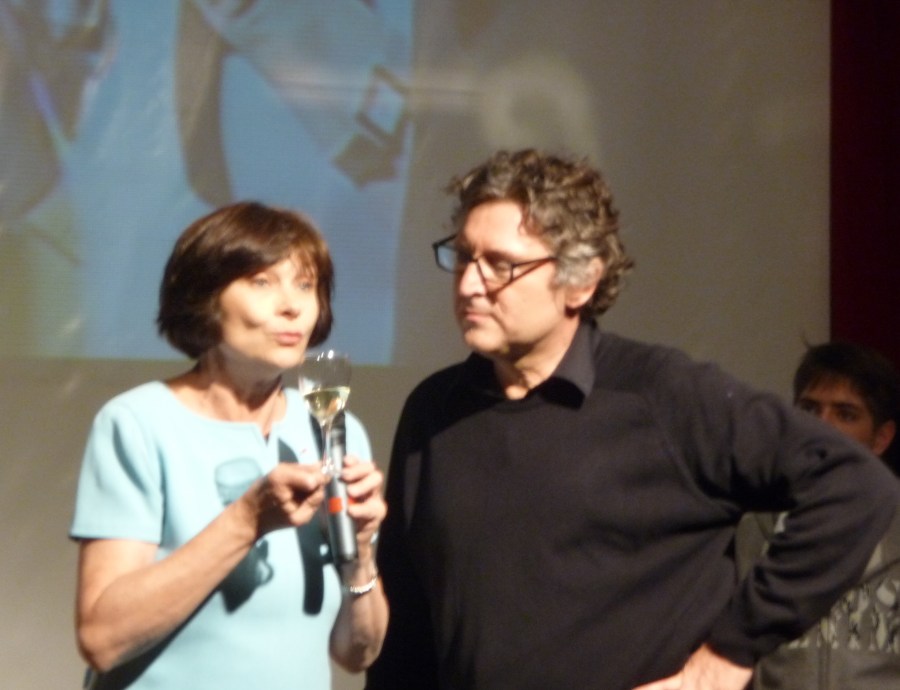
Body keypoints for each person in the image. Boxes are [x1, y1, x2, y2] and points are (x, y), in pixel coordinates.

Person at [365, 148, 899, 690]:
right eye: (462, 257)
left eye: (501, 265)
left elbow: (855, 486)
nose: (468, 285)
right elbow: (407, 627)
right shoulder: (435, 410)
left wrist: (727, 656)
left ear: (581, 281)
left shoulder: (662, 395)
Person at [70, 201, 387, 689]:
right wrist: (246, 520)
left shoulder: (332, 429)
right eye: (262, 282)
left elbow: (356, 652)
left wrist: (361, 552)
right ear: (206, 298)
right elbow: (102, 638)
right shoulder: (138, 424)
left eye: (306, 285)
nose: (292, 305)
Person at [748, 341, 900, 689]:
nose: (822, 426)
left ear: (881, 438)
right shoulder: (750, 529)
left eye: (845, 414)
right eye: (809, 409)